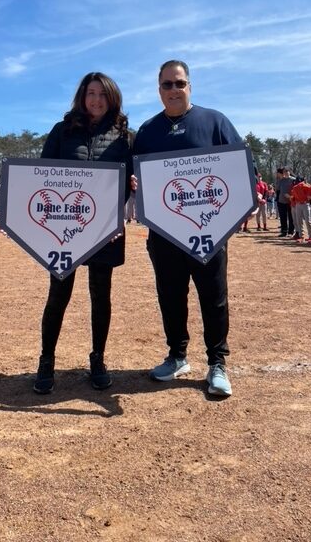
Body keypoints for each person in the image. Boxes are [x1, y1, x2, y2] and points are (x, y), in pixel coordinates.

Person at [133, 60, 242, 397]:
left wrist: (234, 213)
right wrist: (135, 183)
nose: (173, 90)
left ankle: (217, 363)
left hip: (209, 231)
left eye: (179, 83)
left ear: (189, 86)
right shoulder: (148, 131)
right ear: (159, 89)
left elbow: (240, 167)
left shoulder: (215, 121)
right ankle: (177, 355)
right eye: (166, 85)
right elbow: (134, 177)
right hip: (164, 234)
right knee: (171, 296)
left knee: (214, 297)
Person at [33, 72, 132, 394]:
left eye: (102, 94)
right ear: (82, 96)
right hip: (63, 229)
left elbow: (133, 180)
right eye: (91, 93)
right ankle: (46, 360)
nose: (96, 100)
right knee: (58, 295)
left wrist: (130, 192)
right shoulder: (62, 131)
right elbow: (40, 175)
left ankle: (98, 359)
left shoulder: (124, 137)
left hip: (106, 228)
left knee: (101, 295)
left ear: (112, 97)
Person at [277, 167, 295, 237]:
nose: (286, 172)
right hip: (282, 201)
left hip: (290, 201)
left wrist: (291, 197)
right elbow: (278, 189)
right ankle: (284, 231)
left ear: (290, 172)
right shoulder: (281, 180)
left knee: (291, 217)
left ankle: (291, 231)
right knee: (283, 217)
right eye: (284, 171)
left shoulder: (293, 180)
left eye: (287, 171)